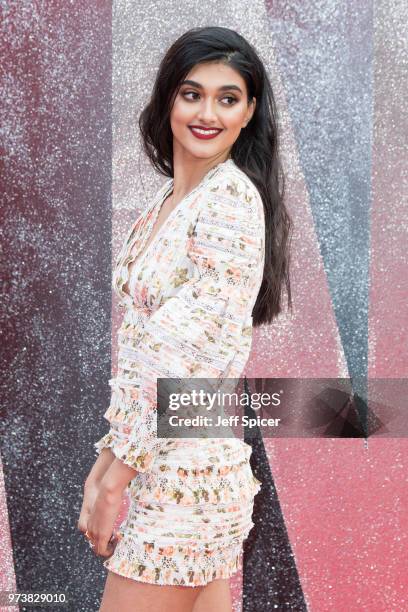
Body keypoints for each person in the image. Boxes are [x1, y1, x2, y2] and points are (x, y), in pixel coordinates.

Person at [77, 26, 292, 612]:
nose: (208, 112)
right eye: (192, 94)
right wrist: (107, 464)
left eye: (228, 98)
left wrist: (114, 479)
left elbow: (180, 353)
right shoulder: (170, 200)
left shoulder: (229, 200)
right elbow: (142, 351)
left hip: (185, 478)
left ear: (249, 113)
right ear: (168, 98)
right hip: (177, 461)